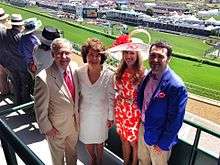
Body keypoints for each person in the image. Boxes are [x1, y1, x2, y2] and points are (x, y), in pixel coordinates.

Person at [137, 41, 188, 165]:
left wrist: (163, 144)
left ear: (168, 59)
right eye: (153, 55)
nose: (155, 59)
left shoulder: (176, 86)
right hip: (144, 128)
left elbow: (176, 120)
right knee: (142, 161)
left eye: (160, 56)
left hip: (159, 138)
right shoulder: (149, 75)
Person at [34, 38, 79, 165]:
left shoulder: (75, 68)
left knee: (73, 155)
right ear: (53, 55)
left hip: (74, 126)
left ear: (72, 53)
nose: (64, 57)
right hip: (55, 129)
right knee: (57, 160)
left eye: (67, 53)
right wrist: (47, 128)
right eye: (59, 53)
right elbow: (39, 107)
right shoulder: (43, 77)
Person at [107, 34, 148, 165]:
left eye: (132, 53)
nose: (128, 56)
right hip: (121, 110)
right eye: (126, 52)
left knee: (134, 142)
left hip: (134, 113)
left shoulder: (142, 73)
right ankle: (126, 162)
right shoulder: (120, 70)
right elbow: (116, 91)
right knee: (124, 139)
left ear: (137, 55)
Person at [77, 38, 115, 165]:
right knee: (87, 140)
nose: (93, 58)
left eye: (97, 55)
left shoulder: (109, 75)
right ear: (85, 55)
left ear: (102, 57)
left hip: (101, 115)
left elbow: (111, 97)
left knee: (99, 141)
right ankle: (93, 158)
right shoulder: (79, 72)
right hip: (85, 115)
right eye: (90, 55)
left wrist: (111, 117)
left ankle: (99, 160)